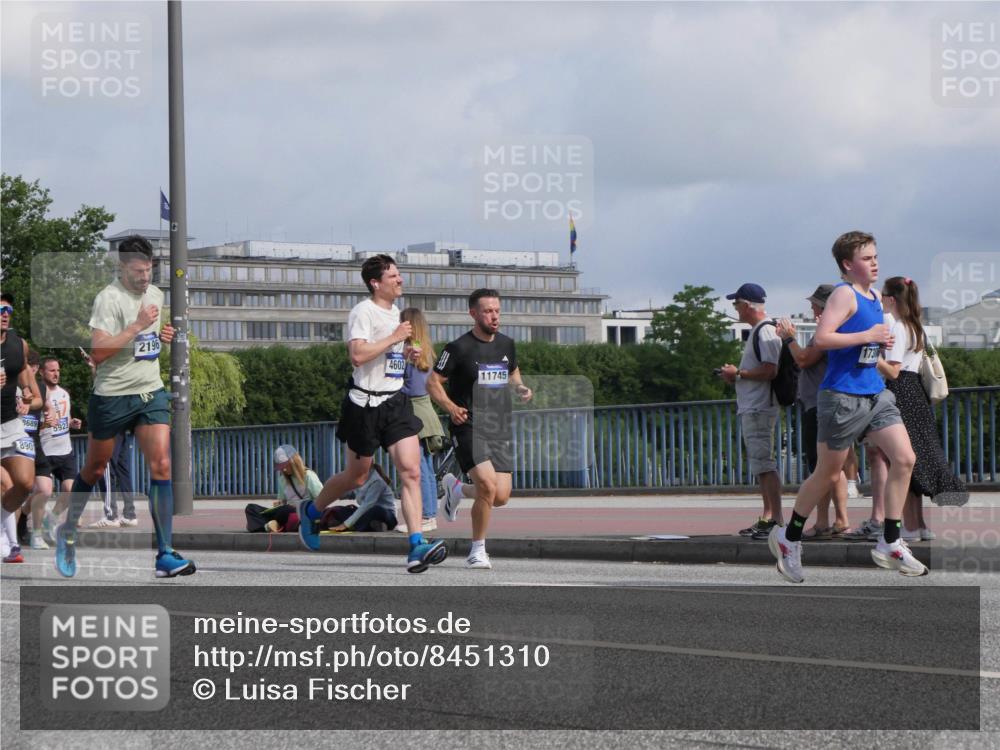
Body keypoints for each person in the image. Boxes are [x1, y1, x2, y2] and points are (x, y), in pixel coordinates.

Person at [769, 231, 926, 582]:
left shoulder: (873, 297)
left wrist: (880, 345)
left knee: (905, 458)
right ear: (847, 264)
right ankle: (788, 537)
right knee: (827, 473)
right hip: (841, 397)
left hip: (875, 394)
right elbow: (823, 339)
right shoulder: (844, 294)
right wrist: (866, 337)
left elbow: (866, 348)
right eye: (867, 258)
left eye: (875, 256)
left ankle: (890, 540)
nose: (875, 263)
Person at [55, 235, 195, 578]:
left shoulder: (155, 294)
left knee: (161, 463)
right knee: (95, 469)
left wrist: (158, 336)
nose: (145, 277)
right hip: (112, 395)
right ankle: (68, 532)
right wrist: (137, 326)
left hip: (150, 390)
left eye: (149, 270)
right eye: (138, 271)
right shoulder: (108, 299)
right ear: (122, 268)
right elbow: (100, 353)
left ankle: (164, 554)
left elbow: (144, 344)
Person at [297, 254, 447, 573]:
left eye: (399, 274)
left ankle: (417, 544)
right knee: (357, 475)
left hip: (395, 403)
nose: (400, 280)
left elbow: (387, 359)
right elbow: (357, 355)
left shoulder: (395, 313)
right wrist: (395, 337)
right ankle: (312, 510)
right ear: (376, 283)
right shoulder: (362, 312)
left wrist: (405, 354)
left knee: (411, 471)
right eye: (393, 276)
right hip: (363, 405)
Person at [427, 288, 533, 570]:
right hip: (468, 424)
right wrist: (450, 408)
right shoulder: (458, 348)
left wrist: (520, 387)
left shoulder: (507, 344)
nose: (494, 316)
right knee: (486, 484)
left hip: (498, 426)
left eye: (497, 310)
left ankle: (458, 490)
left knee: (500, 496)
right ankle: (477, 550)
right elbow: (433, 382)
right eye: (488, 311)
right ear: (473, 313)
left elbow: (512, 372)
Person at [880, 275, 968, 538]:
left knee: (900, 460)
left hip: (900, 391)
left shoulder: (897, 327)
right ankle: (919, 524)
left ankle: (909, 525)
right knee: (913, 457)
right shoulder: (916, 326)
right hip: (915, 391)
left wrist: (871, 357)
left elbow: (893, 371)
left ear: (891, 298)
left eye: (883, 295)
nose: (881, 299)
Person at [776, 285, 850, 539]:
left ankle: (824, 521)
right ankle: (839, 519)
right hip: (835, 401)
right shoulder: (844, 329)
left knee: (820, 466)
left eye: (816, 304)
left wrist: (788, 338)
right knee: (833, 466)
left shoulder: (827, 331)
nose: (812, 308)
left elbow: (804, 359)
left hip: (821, 404)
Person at [718, 283, 784, 540]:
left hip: (759, 406)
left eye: (736, 304)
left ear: (747, 305)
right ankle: (768, 517)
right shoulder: (761, 331)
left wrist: (739, 374)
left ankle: (776, 519)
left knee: (765, 463)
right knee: (760, 464)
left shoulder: (765, 332)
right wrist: (737, 376)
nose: (735, 308)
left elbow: (771, 370)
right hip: (754, 405)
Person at [397, 307, 446, 534]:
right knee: (424, 466)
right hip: (425, 412)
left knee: (419, 468)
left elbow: (409, 387)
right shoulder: (425, 351)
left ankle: (427, 515)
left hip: (414, 412)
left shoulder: (411, 352)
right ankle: (427, 514)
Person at [1, 293, 42, 564]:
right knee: (4, 484)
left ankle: (3, 523)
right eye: (0, 309)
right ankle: (10, 542)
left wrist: (30, 401)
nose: (5, 313)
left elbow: (36, 396)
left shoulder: (19, 346)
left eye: (8, 309)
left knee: (26, 483)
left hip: (12, 425)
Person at [32, 356, 83, 545]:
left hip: (65, 450)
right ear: (42, 372)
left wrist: (72, 423)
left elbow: (64, 418)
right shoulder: (37, 395)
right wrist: (44, 423)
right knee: (42, 493)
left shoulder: (64, 394)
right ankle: (30, 526)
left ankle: (51, 519)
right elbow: (29, 424)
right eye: (52, 370)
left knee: (71, 490)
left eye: (58, 370)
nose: (56, 374)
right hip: (44, 450)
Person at [323, 463, 399, 533]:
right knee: (338, 510)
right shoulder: (358, 479)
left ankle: (354, 526)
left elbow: (367, 505)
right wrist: (335, 491)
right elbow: (349, 493)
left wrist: (346, 524)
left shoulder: (377, 481)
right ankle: (372, 526)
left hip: (387, 516)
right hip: (366, 515)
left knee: (375, 510)